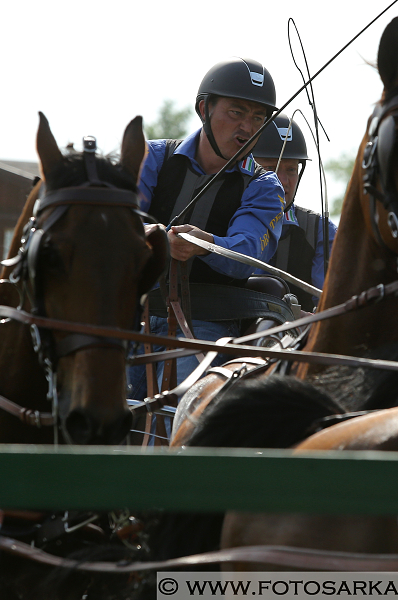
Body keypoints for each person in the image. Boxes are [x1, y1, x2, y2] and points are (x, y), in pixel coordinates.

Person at [131, 57, 286, 395]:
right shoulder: (152, 158)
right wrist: (150, 236)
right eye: (237, 112)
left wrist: (206, 244)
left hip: (205, 324)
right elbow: (119, 224)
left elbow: (247, 252)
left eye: (258, 118)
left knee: (179, 414)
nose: (247, 128)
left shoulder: (264, 187)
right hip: (130, 312)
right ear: (204, 108)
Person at [251, 116, 337, 312]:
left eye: (291, 169)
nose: (282, 181)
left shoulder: (320, 231)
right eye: (270, 168)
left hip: (297, 340)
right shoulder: (223, 217)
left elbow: (331, 307)